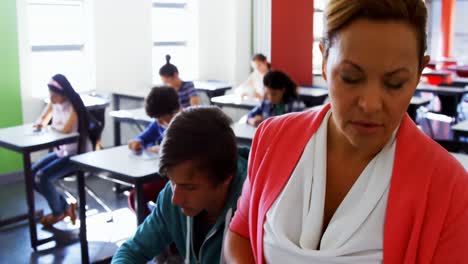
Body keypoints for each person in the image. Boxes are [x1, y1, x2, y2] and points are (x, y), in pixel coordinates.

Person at [224, 0, 468, 263]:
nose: (371, 104)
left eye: (395, 83)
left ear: (419, 73)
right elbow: (242, 232)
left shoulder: (449, 189)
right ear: (324, 62)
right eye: (351, 78)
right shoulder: (273, 138)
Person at [113, 107, 249, 264]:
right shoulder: (172, 195)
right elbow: (132, 250)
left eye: (189, 187)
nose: (175, 199)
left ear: (226, 177)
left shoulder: (258, 208)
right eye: (172, 181)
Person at [32, 74, 92, 227]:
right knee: (31, 173)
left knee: (42, 177)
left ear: (63, 94)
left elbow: (65, 131)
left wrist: (49, 127)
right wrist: (41, 124)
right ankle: (65, 207)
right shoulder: (54, 103)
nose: (51, 99)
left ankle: (58, 212)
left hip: (77, 154)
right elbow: (43, 119)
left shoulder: (73, 107)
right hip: (62, 151)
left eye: (54, 95)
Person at [127, 86, 180, 216]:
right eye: (156, 118)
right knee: (135, 196)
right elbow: (144, 137)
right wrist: (137, 142)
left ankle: (156, 227)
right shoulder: (159, 123)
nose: (158, 121)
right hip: (162, 173)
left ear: (175, 110)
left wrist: (161, 149)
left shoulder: (184, 124)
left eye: (161, 117)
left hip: (177, 177)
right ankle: (152, 226)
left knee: (137, 195)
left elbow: (180, 151)